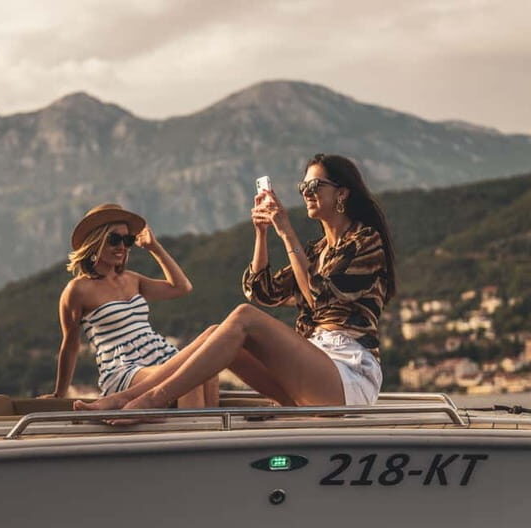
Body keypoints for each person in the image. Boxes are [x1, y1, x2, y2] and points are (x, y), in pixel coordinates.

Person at [75, 153, 396, 412]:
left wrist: (286, 231)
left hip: (349, 373)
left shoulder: (365, 242)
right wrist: (262, 233)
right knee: (218, 333)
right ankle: (126, 397)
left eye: (315, 187)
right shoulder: (316, 251)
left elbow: (320, 298)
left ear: (341, 193)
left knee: (243, 318)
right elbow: (262, 292)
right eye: (303, 188)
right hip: (315, 370)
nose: (306, 194)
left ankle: (150, 400)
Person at [43, 203, 218, 407]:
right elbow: (70, 344)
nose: (122, 247)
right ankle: (194, 436)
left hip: (162, 355)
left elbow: (182, 287)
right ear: (95, 242)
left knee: (209, 368)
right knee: (189, 377)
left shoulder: (132, 279)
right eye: (114, 239)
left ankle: (212, 433)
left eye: (128, 240)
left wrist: (155, 248)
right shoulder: (77, 290)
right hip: (124, 369)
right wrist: (60, 394)